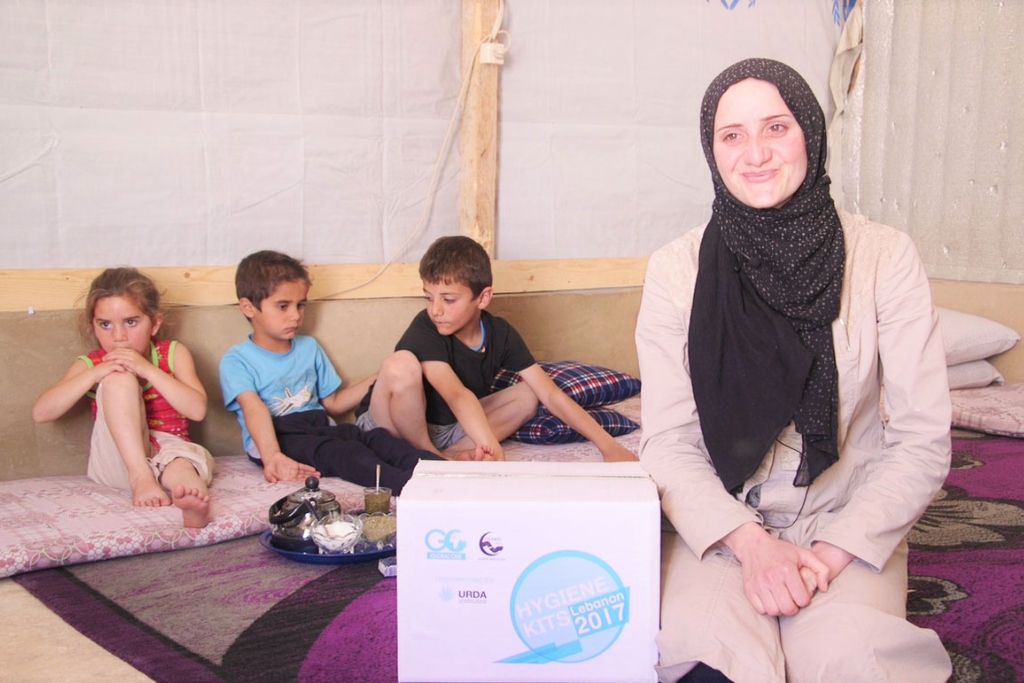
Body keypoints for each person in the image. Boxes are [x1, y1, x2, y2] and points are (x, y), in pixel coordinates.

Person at [634, 58, 953, 683]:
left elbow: (921, 439)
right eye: (732, 135)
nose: (755, 153)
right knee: (710, 662)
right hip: (724, 526)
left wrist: (829, 554)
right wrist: (753, 548)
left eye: (776, 127)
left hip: (848, 520)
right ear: (711, 148)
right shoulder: (676, 271)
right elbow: (668, 441)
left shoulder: (884, 257)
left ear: (809, 130)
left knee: (853, 662)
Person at [355, 235, 637, 463]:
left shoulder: (500, 333)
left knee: (529, 395)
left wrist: (607, 446)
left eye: (448, 299)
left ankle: (449, 456)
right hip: (388, 425)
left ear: (483, 297)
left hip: (448, 429)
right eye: (429, 298)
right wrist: (493, 449)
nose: (435, 310)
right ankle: (430, 458)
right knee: (401, 364)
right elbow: (457, 396)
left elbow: (550, 394)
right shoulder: (425, 328)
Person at [219, 250, 447, 494]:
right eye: (283, 306)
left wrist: (378, 378)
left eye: (300, 305)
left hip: (319, 425)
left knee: (376, 438)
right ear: (248, 307)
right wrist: (272, 455)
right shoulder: (236, 360)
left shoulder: (309, 347)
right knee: (347, 453)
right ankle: (417, 490)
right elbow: (253, 409)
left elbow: (333, 403)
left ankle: (448, 474)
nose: (296, 316)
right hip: (277, 434)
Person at [32, 268, 214, 528]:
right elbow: (41, 413)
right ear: (93, 326)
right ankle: (141, 477)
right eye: (105, 324)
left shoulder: (172, 353)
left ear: (155, 323)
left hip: (171, 451)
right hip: (120, 462)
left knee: (183, 471)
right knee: (118, 377)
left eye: (131, 322)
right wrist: (96, 374)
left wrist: (146, 368)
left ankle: (194, 507)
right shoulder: (92, 363)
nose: (118, 336)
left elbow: (197, 410)